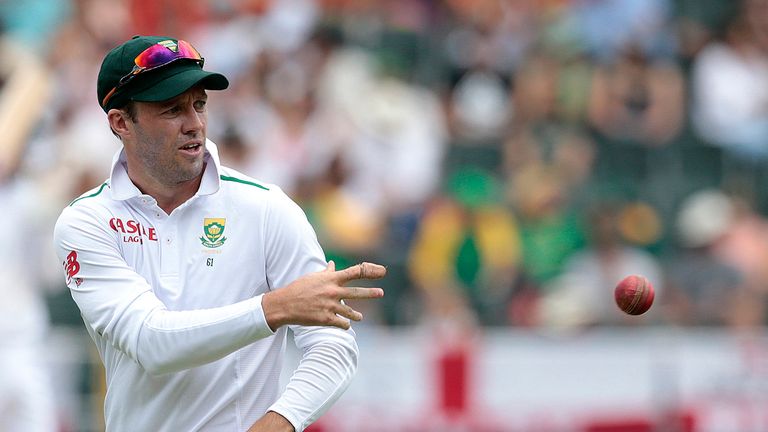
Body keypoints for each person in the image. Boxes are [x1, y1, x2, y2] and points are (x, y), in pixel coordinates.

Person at [53, 35, 386, 432]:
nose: (194, 124)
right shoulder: (87, 221)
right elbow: (150, 343)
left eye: (199, 104)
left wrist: (281, 421)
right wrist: (273, 308)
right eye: (172, 109)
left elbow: (333, 345)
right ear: (121, 122)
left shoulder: (266, 208)